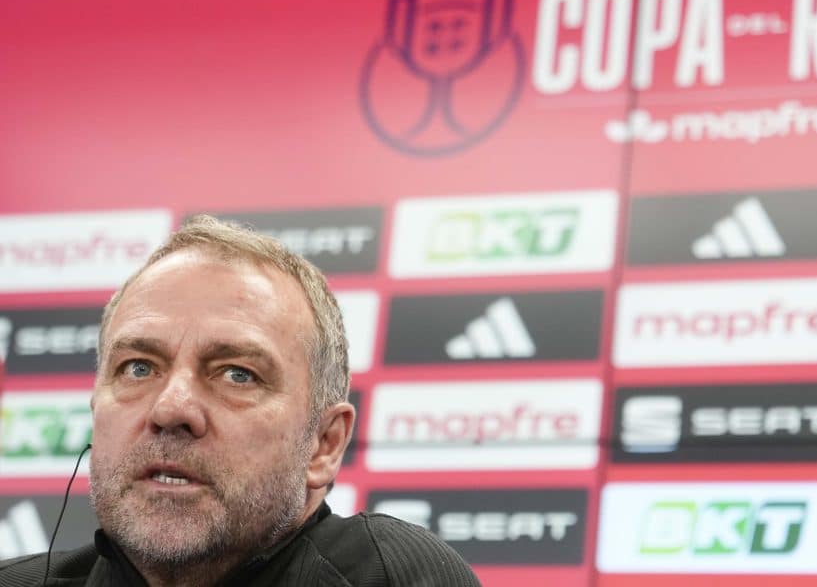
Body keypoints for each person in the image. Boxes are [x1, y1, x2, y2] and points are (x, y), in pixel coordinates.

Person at [0, 215, 481, 586]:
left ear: (324, 445)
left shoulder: (388, 575)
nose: (171, 408)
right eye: (138, 368)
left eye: (237, 374)